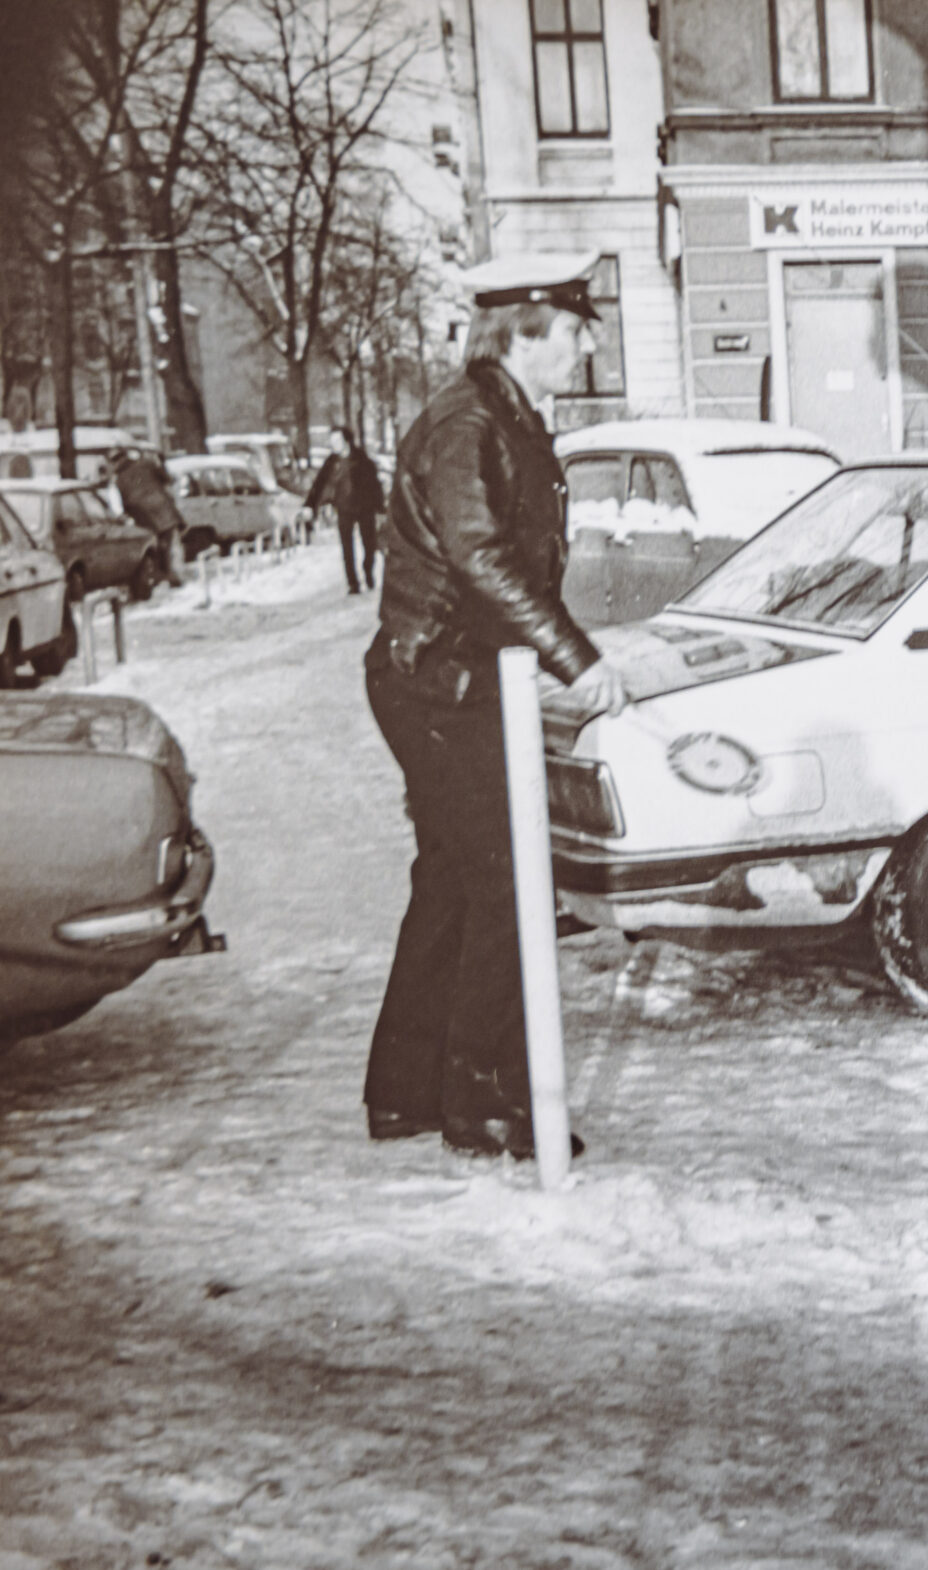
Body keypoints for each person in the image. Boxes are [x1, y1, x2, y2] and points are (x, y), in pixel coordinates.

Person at [363, 251, 629, 1161]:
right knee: (506, 882)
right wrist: (576, 660)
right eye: (570, 331)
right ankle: (481, 1099)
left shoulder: (502, 415)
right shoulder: (467, 422)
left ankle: (403, 1090)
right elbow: (480, 558)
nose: (583, 347)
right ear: (519, 332)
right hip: (443, 680)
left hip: (456, 674)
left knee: (450, 878)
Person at [309, 425, 385, 592]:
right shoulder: (331, 461)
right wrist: (310, 504)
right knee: (346, 547)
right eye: (332, 440)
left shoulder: (362, 459)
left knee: (369, 544)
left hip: (365, 508)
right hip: (344, 508)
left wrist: (380, 507)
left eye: (337, 440)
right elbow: (319, 483)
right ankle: (353, 583)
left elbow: (375, 484)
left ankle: (368, 571)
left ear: (346, 441)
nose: (333, 444)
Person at [107, 445, 186, 560]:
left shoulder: (116, 480)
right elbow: (168, 480)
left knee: (152, 548)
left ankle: (164, 572)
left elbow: (117, 509)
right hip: (164, 511)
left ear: (111, 462)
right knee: (171, 544)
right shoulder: (146, 463)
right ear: (125, 455)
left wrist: (126, 519)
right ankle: (175, 573)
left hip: (142, 518)